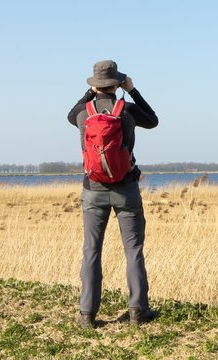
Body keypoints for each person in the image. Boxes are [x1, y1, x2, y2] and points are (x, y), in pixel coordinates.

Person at [67, 60, 159, 328]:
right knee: (133, 250)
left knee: (91, 250)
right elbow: (153, 120)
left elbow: (68, 114)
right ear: (117, 83)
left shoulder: (83, 114)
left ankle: (87, 314)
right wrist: (132, 90)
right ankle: (137, 311)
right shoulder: (127, 111)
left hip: (92, 191)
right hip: (126, 189)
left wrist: (89, 94)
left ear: (95, 86)